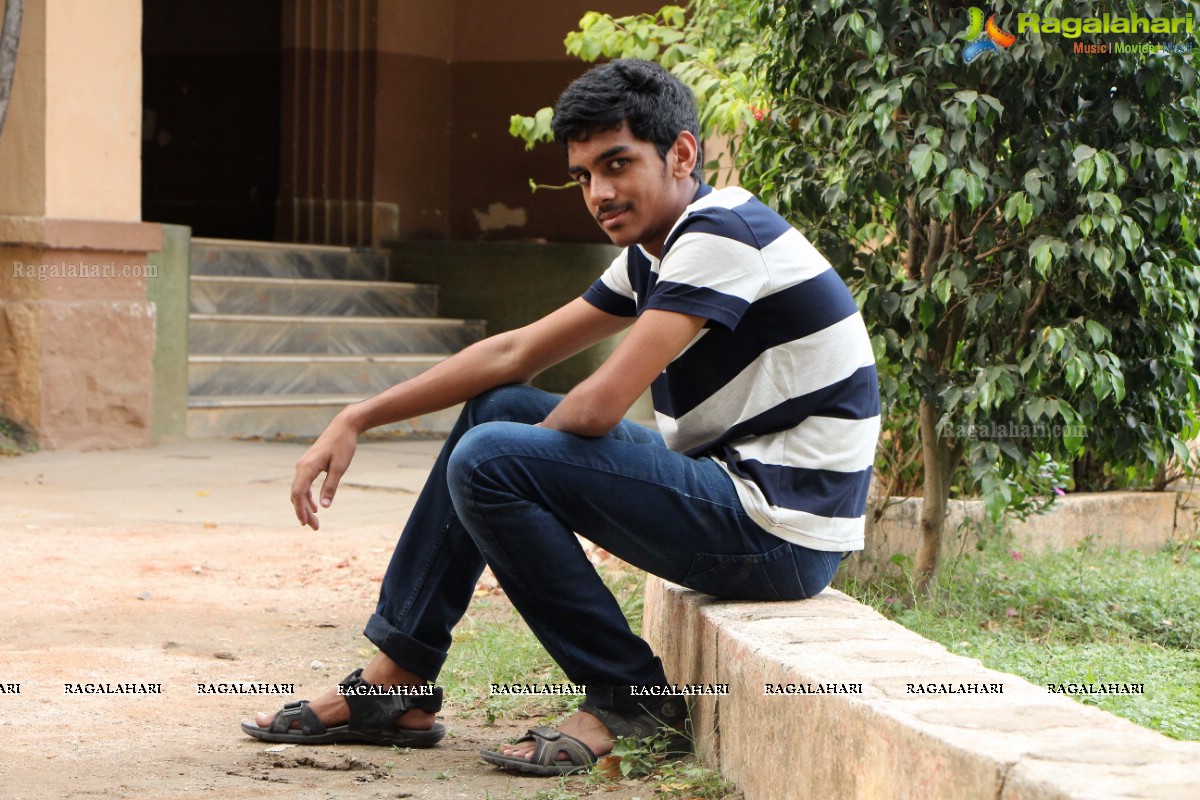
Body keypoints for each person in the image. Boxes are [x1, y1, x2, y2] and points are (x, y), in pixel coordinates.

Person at [241, 58, 880, 776]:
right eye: (582, 176)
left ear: (682, 154)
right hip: (735, 500)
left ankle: (628, 699)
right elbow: (515, 353)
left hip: (778, 532)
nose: (599, 194)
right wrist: (358, 416)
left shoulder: (720, 233)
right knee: (498, 413)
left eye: (616, 164)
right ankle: (400, 679)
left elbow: (600, 405)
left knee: (490, 456)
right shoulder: (652, 254)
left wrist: (504, 479)